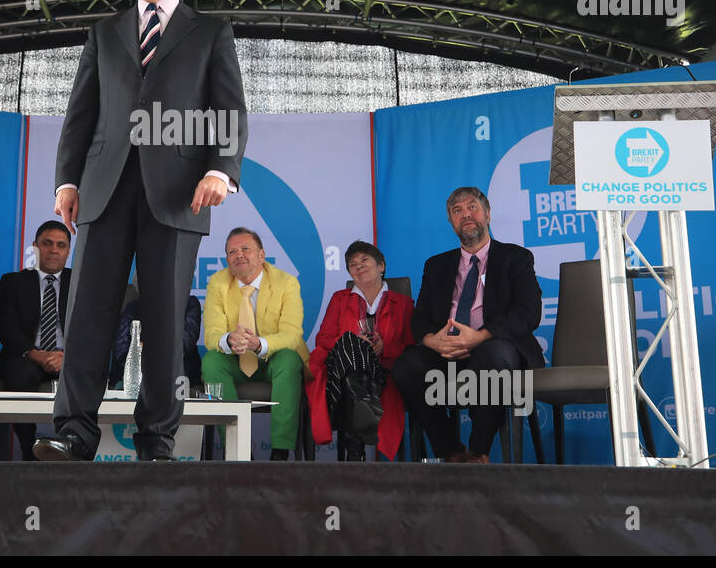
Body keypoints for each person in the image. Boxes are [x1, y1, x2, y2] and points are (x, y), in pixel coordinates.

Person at [36, 0, 248, 462]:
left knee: (162, 320)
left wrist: (219, 170)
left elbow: (229, 110)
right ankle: (72, 433)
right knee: (86, 315)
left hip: (177, 194)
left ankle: (156, 440)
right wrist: (67, 178)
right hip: (104, 190)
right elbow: (80, 113)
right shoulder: (104, 32)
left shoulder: (209, 32)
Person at [392, 187, 544, 463]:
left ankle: (478, 451)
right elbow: (420, 317)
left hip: (496, 346)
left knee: (492, 355)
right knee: (407, 365)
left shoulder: (516, 257)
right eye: (457, 210)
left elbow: (528, 313)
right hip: (447, 351)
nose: (466, 214)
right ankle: (450, 451)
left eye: (472, 207)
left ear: (487, 213)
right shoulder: (436, 265)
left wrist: (480, 336)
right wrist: (432, 340)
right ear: (450, 221)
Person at [202, 227, 309, 460]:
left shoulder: (286, 282)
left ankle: (280, 452)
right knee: (211, 361)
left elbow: (292, 334)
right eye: (232, 252)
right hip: (235, 359)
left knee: (290, 360)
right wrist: (229, 339)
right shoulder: (218, 282)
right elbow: (212, 335)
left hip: (272, 358)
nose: (238, 255)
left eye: (245, 249)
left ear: (262, 255)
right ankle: (237, 448)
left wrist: (258, 344)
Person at [305, 241, 413, 461]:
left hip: (382, 372)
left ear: (381, 266)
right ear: (350, 273)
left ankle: (355, 447)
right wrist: (354, 343)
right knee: (350, 342)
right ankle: (363, 400)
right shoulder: (339, 299)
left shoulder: (403, 303)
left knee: (356, 369)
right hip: (340, 372)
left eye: (365, 260)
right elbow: (323, 339)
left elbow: (412, 346)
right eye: (353, 264)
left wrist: (385, 347)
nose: (359, 266)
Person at [0, 220, 72, 459]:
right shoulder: (13, 282)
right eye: (47, 244)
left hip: (69, 357)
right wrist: (36, 354)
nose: (54, 250)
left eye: (61, 245)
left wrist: (66, 357)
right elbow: (6, 328)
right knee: (18, 374)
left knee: (86, 375)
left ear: (68, 250)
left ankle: (73, 447)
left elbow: (92, 328)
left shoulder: (83, 282)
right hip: (27, 355)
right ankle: (30, 450)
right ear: (35, 247)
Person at [111, 285, 202, 392]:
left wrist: (148, 347)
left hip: (176, 375)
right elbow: (121, 350)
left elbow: (185, 343)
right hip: (136, 376)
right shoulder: (133, 308)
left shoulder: (189, 304)